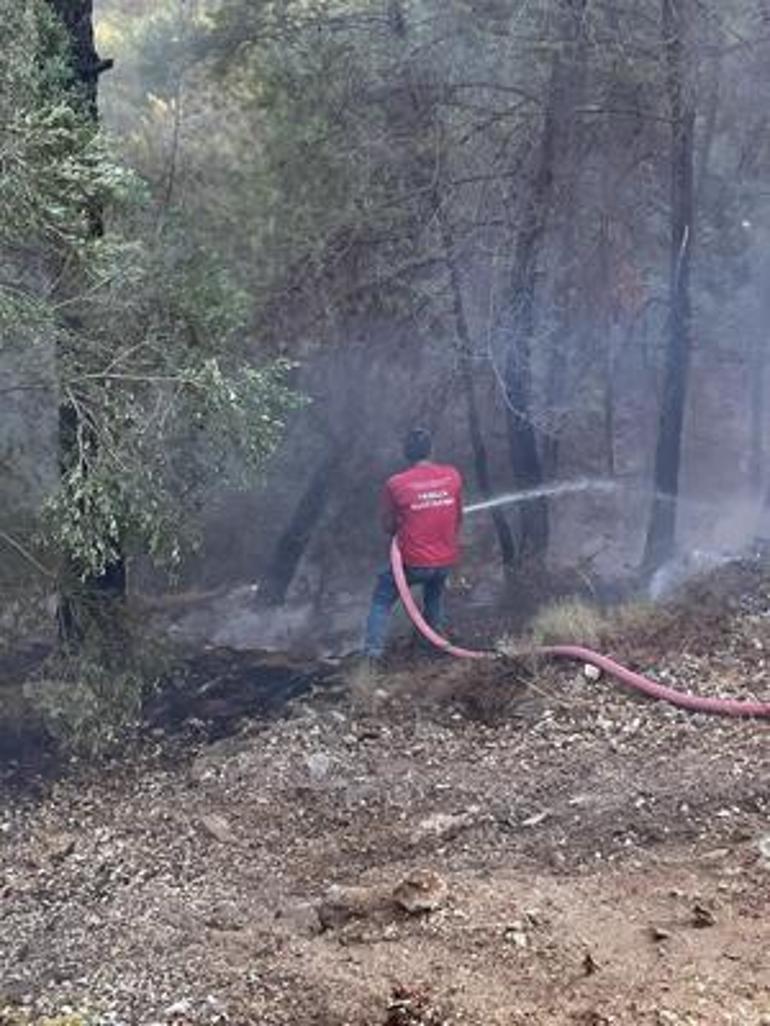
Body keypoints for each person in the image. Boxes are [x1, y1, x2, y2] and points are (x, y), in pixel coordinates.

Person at [363, 427, 463, 660]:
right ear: (431, 450)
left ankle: (372, 655)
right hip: (445, 559)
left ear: (405, 454)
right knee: (434, 595)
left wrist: (407, 521)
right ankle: (435, 646)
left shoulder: (395, 484)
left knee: (382, 598)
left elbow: (388, 527)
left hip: (413, 562)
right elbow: (458, 518)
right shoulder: (452, 475)